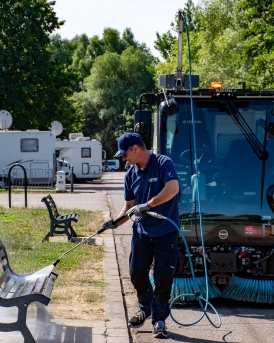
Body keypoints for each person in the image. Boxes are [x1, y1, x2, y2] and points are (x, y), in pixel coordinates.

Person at [102, 132, 179, 338]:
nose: (123, 159)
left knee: (163, 277)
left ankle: (159, 319)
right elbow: (129, 206)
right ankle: (145, 308)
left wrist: (147, 205)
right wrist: (115, 222)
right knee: (137, 273)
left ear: (136, 148)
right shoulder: (131, 174)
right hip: (142, 233)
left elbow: (173, 188)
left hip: (165, 232)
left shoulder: (163, 163)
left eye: (124, 154)